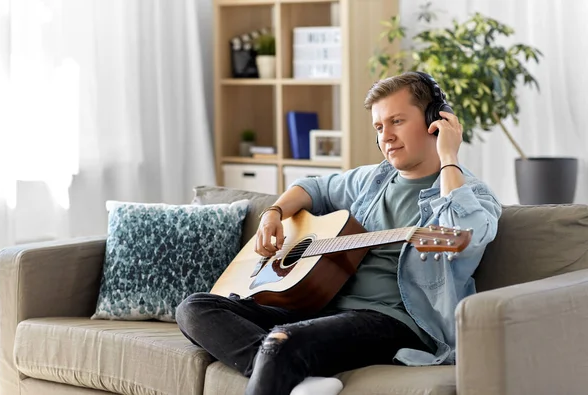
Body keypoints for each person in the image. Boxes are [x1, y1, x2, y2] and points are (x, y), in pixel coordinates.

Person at [176, 71, 502, 395]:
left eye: (397, 121)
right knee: (195, 308)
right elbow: (313, 187)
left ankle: (283, 360)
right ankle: (294, 373)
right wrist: (273, 214)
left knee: (282, 342)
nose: (385, 137)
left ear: (436, 120)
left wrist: (449, 156)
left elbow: (462, 231)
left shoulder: (472, 194)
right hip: (324, 307)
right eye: (378, 127)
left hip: (392, 321)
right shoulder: (374, 180)